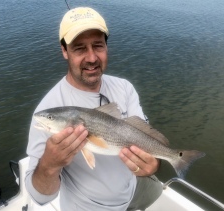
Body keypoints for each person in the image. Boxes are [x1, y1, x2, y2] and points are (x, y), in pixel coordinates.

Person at [25, 7, 162, 211]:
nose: (91, 58)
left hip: (133, 190)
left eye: (98, 46)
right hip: (88, 207)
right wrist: (49, 164)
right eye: (79, 48)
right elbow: (39, 197)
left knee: (157, 191)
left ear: (107, 47)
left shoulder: (124, 88)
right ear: (64, 51)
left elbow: (146, 140)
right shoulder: (47, 111)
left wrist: (152, 165)